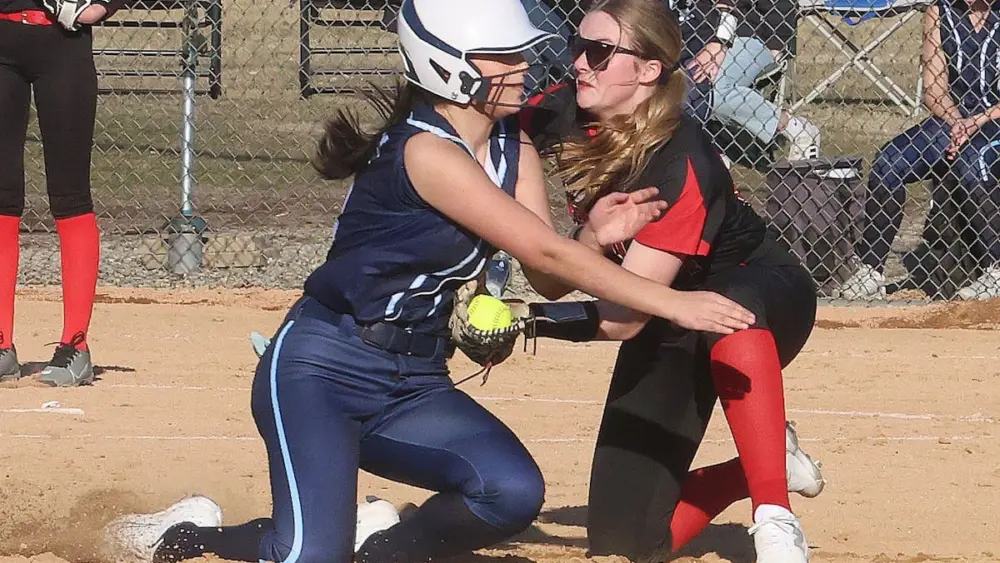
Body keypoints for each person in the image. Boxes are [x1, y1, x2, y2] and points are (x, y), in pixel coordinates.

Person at [102, 1, 758, 563]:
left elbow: (545, 274)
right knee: (308, 554)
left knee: (510, 491)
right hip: (320, 371)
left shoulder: (513, 147)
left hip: (413, 378)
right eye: (503, 56)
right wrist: (673, 301)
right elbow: (543, 252)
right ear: (450, 65)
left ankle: (381, 547)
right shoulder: (425, 153)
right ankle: (188, 535)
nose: (524, 66)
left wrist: (589, 241)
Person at [516, 1, 824, 561]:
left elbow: (621, 318)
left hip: (761, 290)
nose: (579, 63)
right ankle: (768, 462)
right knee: (626, 543)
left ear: (649, 69)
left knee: (730, 310)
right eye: (578, 46)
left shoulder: (681, 164)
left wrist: (526, 322)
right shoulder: (557, 111)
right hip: (665, 310)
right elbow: (555, 277)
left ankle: (775, 518)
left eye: (600, 52)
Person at [838, 0, 1000, 300]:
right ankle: (872, 269)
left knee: (973, 159)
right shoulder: (940, 12)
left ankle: (996, 267)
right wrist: (957, 122)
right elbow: (934, 90)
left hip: (994, 119)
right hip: (955, 117)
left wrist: (976, 122)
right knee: (890, 160)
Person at [0, 0, 120, 386]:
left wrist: (102, 5)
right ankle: (1, 343)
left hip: (62, 42)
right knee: (1, 199)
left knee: (70, 198)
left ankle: (76, 345)